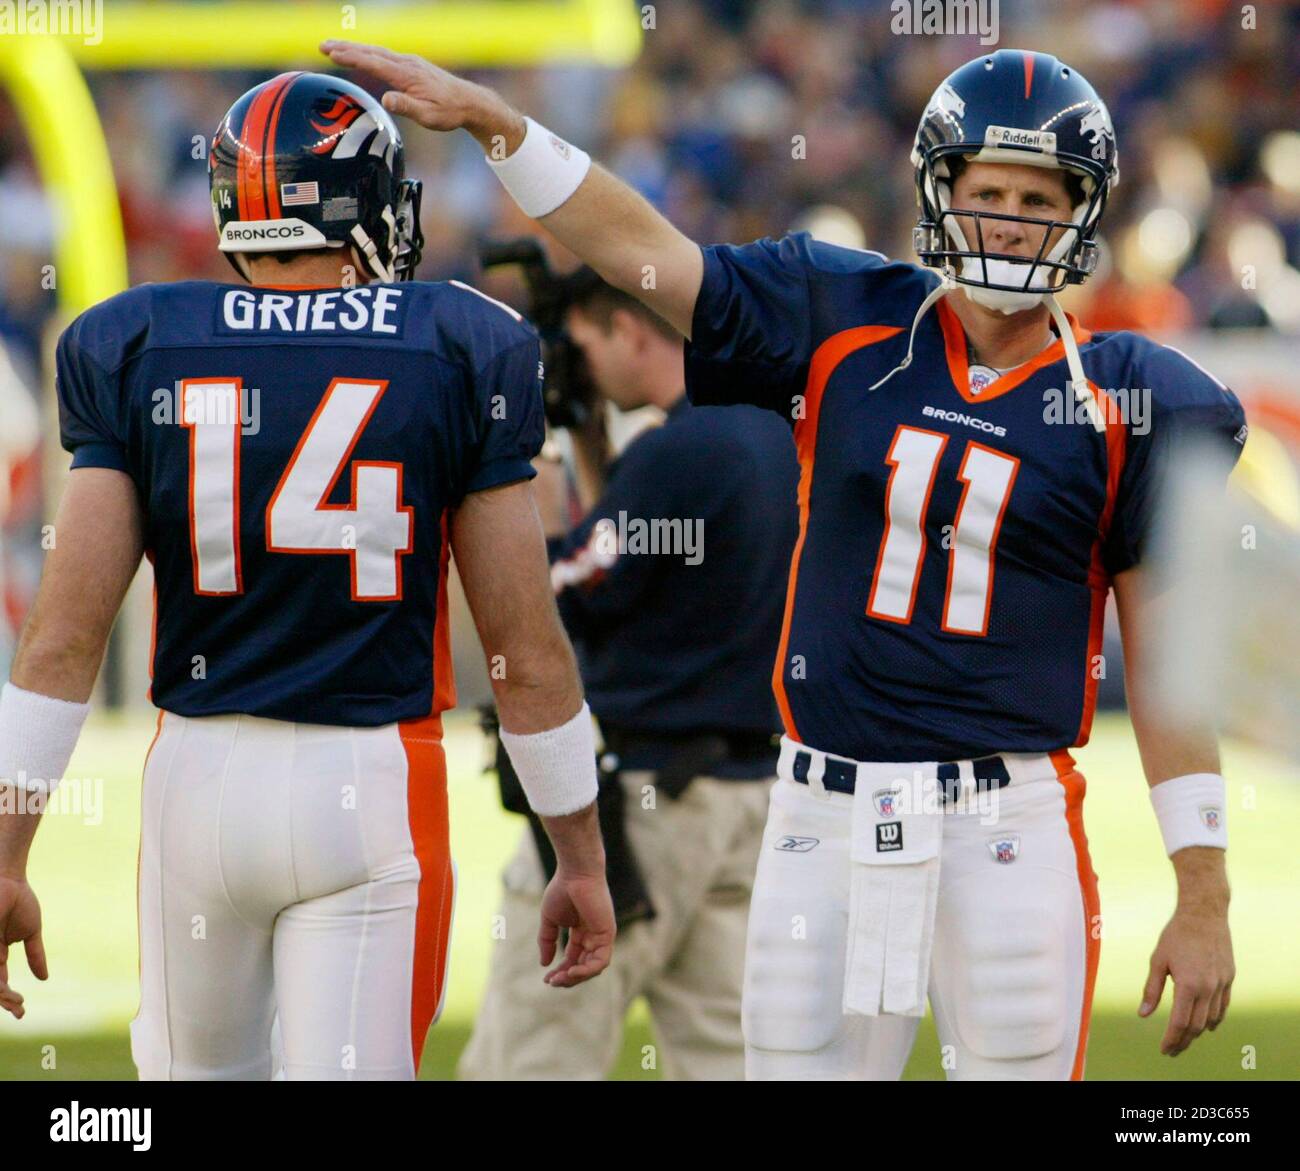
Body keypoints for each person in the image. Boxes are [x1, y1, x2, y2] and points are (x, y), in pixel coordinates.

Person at [321, 42, 1244, 1079]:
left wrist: (1199, 893)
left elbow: (1170, 671)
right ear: (940, 192)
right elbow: (647, 256)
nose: (1012, 218)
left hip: (1007, 825)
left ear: (1083, 210)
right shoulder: (845, 316)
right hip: (820, 811)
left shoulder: (1128, 399)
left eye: (1040, 194)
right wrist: (505, 129)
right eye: (988, 189)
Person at [0, 71, 614, 1080]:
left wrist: (8, 850)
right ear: (367, 206)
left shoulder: (138, 338)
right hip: (368, 783)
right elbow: (525, 653)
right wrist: (580, 855)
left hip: (195, 778)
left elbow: (63, 640)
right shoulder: (458, 343)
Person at [459, 269, 798, 1079]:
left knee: (534, 1051)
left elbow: (569, 589)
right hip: (752, 790)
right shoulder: (765, 430)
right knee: (725, 1057)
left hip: (649, 799)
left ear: (631, 331)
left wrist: (537, 513)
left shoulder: (682, 448)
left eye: (580, 344)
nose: (576, 367)